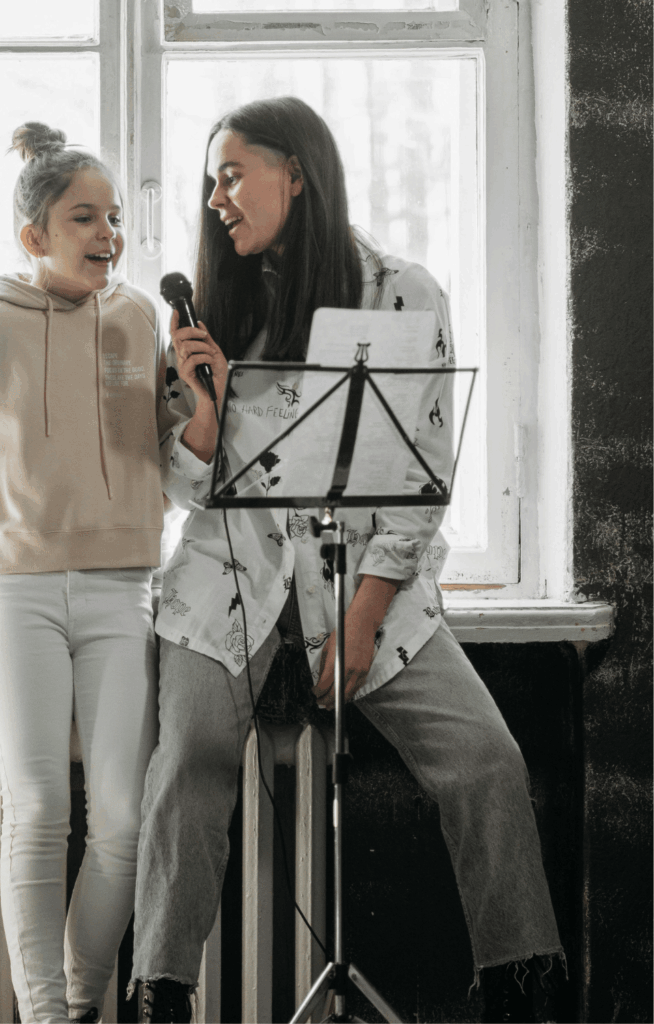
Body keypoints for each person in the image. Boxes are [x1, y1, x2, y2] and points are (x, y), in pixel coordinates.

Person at [132, 97, 564, 1024]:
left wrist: (364, 618)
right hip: (228, 590)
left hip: (369, 590)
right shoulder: (211, 304)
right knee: (190, 760)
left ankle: (522, 987)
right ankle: (160, 995)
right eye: (211, 179)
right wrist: (201, 416)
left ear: (298, 174)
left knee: (487, 760)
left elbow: (422, 482)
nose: (215, 197)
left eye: (231, 173)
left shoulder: (405, 293)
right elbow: (186, 489)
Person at [0, 122, 172, 1023]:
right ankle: (46, 1014)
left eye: (114, 218)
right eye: (84, 218)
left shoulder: (141, 317)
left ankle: (72, 1000)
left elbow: (170, 454)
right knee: (35, 810)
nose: (107, 234)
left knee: (121, 817)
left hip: (123, 589)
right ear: (34, 235)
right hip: (16, 594)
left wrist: (201, 398)